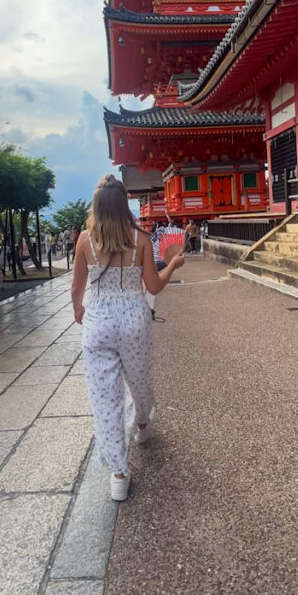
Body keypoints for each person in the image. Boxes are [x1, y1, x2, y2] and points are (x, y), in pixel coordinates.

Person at [71, 174, 184, 502]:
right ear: (125, 205)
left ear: (96, 207)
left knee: (105, 401)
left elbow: (77, 287)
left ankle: (118, 474)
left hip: (98, 323)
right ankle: (143, 425)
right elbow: (154, 286)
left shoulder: (84, 241)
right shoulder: (141, 240)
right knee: (140, 380)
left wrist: (79, 310)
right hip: (134, 319)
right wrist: (173, 263)